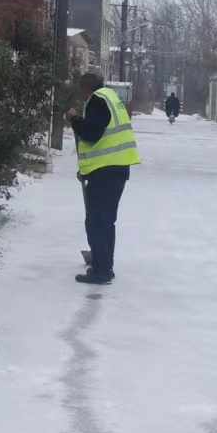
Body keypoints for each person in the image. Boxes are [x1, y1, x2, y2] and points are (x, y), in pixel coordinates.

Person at [69, 74, 140, 286]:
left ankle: (101, 271)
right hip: (117, 168)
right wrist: (87, 171)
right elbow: (106, 138)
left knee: (96, 222)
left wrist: (74, 119)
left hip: (106, 171)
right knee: (106, 221)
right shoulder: (111, 97)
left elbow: (92, 134)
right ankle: (106, 265)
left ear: (85, 89)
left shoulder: (97, 101)